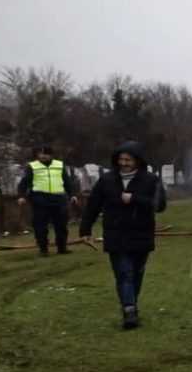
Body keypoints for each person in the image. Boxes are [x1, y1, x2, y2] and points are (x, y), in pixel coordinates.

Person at [79, 141, 167, 330]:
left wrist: (135, 199)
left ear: (137, 161)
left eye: (127, 160)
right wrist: (85, 230)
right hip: (115, 233)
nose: (123, 163)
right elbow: (93, 205)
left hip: (141, 233)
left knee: (136, 274)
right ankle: (128, 310)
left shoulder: (151, 180)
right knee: (123, 274)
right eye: (120, 159)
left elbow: (160, 205)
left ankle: (131, 305)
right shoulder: (107, 180)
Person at [17, 144, 79, 256]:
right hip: (40, 199)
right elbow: (24, 183)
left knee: (61, 225)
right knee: (40, 225)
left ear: (51, 155)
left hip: (58, 198)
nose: (43, 156)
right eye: (40, 153)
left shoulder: (59, 165)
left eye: (45, 154)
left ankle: (62, 247)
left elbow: (67, 181)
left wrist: (72, 195)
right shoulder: (32, 166)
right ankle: (43, 249)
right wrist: (21, 196)